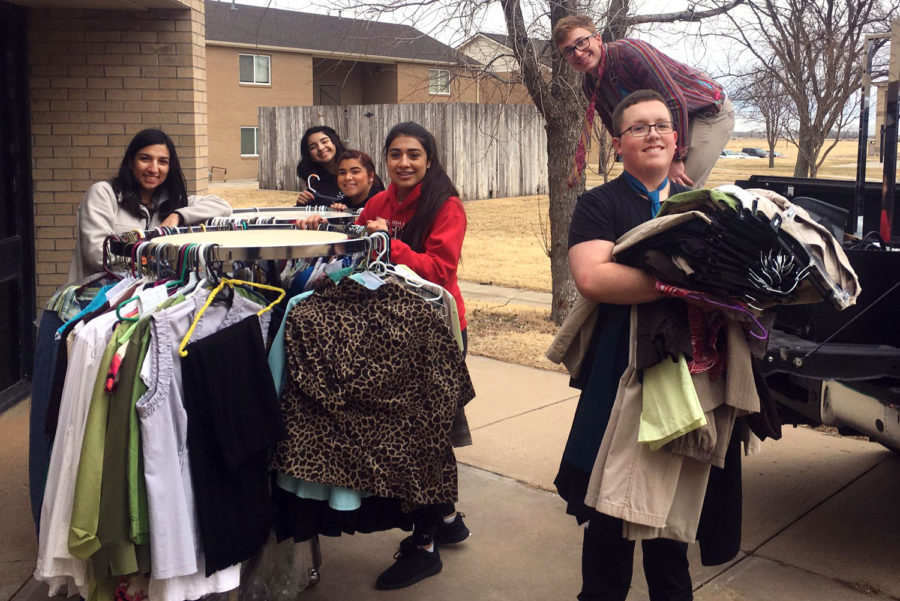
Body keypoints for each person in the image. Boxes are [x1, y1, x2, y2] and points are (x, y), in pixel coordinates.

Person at [299, 121, 470, 590]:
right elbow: (352, 242)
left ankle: (426, 545)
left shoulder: (446, 206)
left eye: (413, 154)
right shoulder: (379, 201)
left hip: (436, 330)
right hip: (394, 330)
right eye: (395, 154)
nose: (404, 163)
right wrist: (322, 223)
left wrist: (388, 243)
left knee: (423, 440)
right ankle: (448, 519)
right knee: (422, 436)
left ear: (429, 159)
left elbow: (440, 269)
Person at [557, 90, 693, 601]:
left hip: (684, 372)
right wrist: (686, 285)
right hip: (619, 369)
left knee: (668, 510)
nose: (653, 133)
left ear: (677, 139)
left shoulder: (695, 203)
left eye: (661, 125)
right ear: (618, 144)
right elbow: (593, 278)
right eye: (639, 127)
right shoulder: (600, 203)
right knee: (610, 504)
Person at [553, 14, 735, 189]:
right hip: (666, 125)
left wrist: (675, 158)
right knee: (642, 188)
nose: (578, 52)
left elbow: (674, 100)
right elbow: (617, 125)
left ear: (598, 38)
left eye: (581, 42)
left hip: (706, 112)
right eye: (568, 50)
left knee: (680, 189)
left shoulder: (629, 53)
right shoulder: (590, 85)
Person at [67, 128, 232, 283]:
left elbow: (223, 206)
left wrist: (178, 216)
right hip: (96, 302)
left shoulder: (172, 202)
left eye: (162, 161)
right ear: (131, 163)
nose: (153, 168)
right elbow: (98, 256)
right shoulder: (103, 194)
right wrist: (155, 256)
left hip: (148, 301)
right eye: (145, 159)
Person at [295, 125, 346, 206]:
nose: (321, 148)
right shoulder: (315, 186)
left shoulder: (355, 168)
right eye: (313, 147)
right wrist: (302, 203)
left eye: (324, 141)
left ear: (334, 142)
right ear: (309, 155)